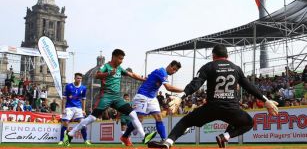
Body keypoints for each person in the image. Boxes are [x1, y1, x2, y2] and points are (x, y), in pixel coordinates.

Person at [148, 44, 279, 149]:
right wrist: (265, 101)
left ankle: (168, 143)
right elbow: (249, 86)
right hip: (231, 109)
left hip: (211, 108)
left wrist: (180, 97)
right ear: (227, 56)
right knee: (248, 123)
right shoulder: (236, 68)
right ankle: (225, 136)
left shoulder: (208, 66)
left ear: (213, 56)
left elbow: (196, 84)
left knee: (185, 121)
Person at [64, 49, 156, 145]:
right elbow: (97, 75)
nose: (121, 61)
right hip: (106, 96)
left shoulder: (120, 68)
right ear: (114, 57)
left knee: (133, 114)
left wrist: (143, 79)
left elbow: (131, 74)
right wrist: (108, 73)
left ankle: (144, 136)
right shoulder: (105, 66)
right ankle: (70, 133)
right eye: (120, 58)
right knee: (92, 118)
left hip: (117, 98)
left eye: (122, 59)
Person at [121, 60, 183, 146]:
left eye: (176, 71)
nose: (174, 71)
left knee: (159, 117)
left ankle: (164, 140)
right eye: (173, 69)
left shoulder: (162, 73)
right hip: (142, 95)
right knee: (139, 119)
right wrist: (184, 90)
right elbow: (168, 88)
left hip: (152, 97)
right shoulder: (162, 72)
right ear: (169, 65)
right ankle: (125, 136)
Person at [59, 73, 91, 146]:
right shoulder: (68, 86)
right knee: (65, 123)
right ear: (74, 78)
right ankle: (61, 140)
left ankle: (86, 140)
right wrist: (63, 109)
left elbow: (83, 99)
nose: (79, 80)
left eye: (80, 78)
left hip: (78, 108)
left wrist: (83, 110)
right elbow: (64, 98)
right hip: (69, 107)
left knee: (83, 124)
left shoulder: (83, 88)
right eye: (78, 78)